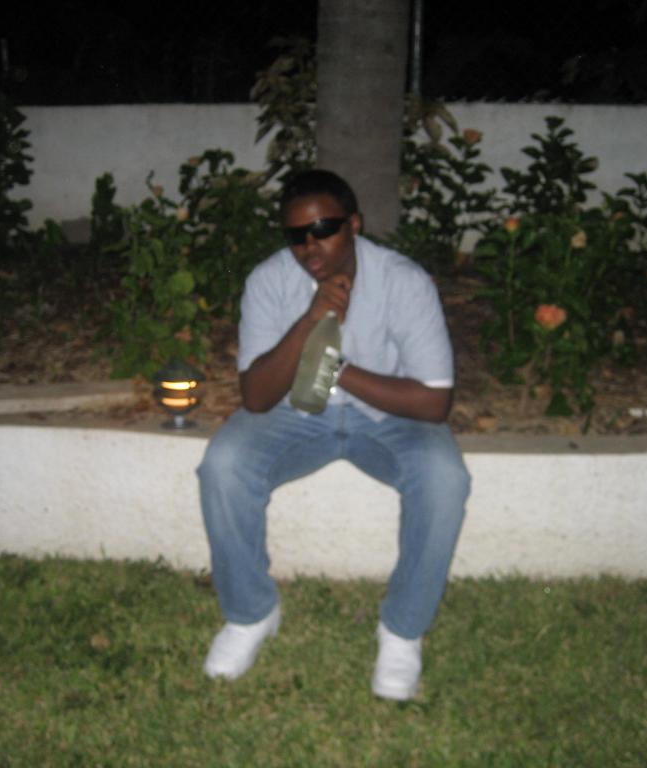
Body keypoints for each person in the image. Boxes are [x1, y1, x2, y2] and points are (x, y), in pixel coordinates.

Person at [196, 169, 470, 701]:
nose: (309, 246)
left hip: (388, 417)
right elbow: (256, 397)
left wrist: (335, 369)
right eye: (296, 235)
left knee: (444, 477)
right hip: (294, 415)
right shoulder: (269, 281)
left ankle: (403, 631)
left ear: (354, 225)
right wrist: (309, 321)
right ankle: (251, 614)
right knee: (224, 466)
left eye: (322, 229)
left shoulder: (404, 281)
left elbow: (434, 402)